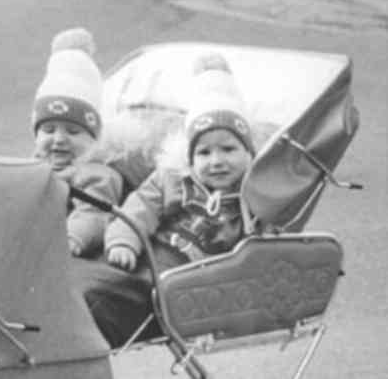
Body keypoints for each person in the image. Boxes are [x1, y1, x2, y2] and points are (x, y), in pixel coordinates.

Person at [83, 53, 255, 346]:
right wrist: (124, 240)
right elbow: (139, 209)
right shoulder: (172, 180)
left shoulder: (251, 196)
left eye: (228, 149)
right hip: (149, 251)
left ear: (249, 152)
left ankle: (91, 334)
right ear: (190, 157)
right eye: (204, 152)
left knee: (117, 295)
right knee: (96, 277)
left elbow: (258, 245)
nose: (216, 161)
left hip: (191, 276)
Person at [30, 28, 123, 258]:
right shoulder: (31, 166)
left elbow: (93, 213)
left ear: (94, 139)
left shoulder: (97, 174)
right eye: (49, 130)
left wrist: (72, 238)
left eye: (73, 131)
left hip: (69, 251)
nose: (59, 139)